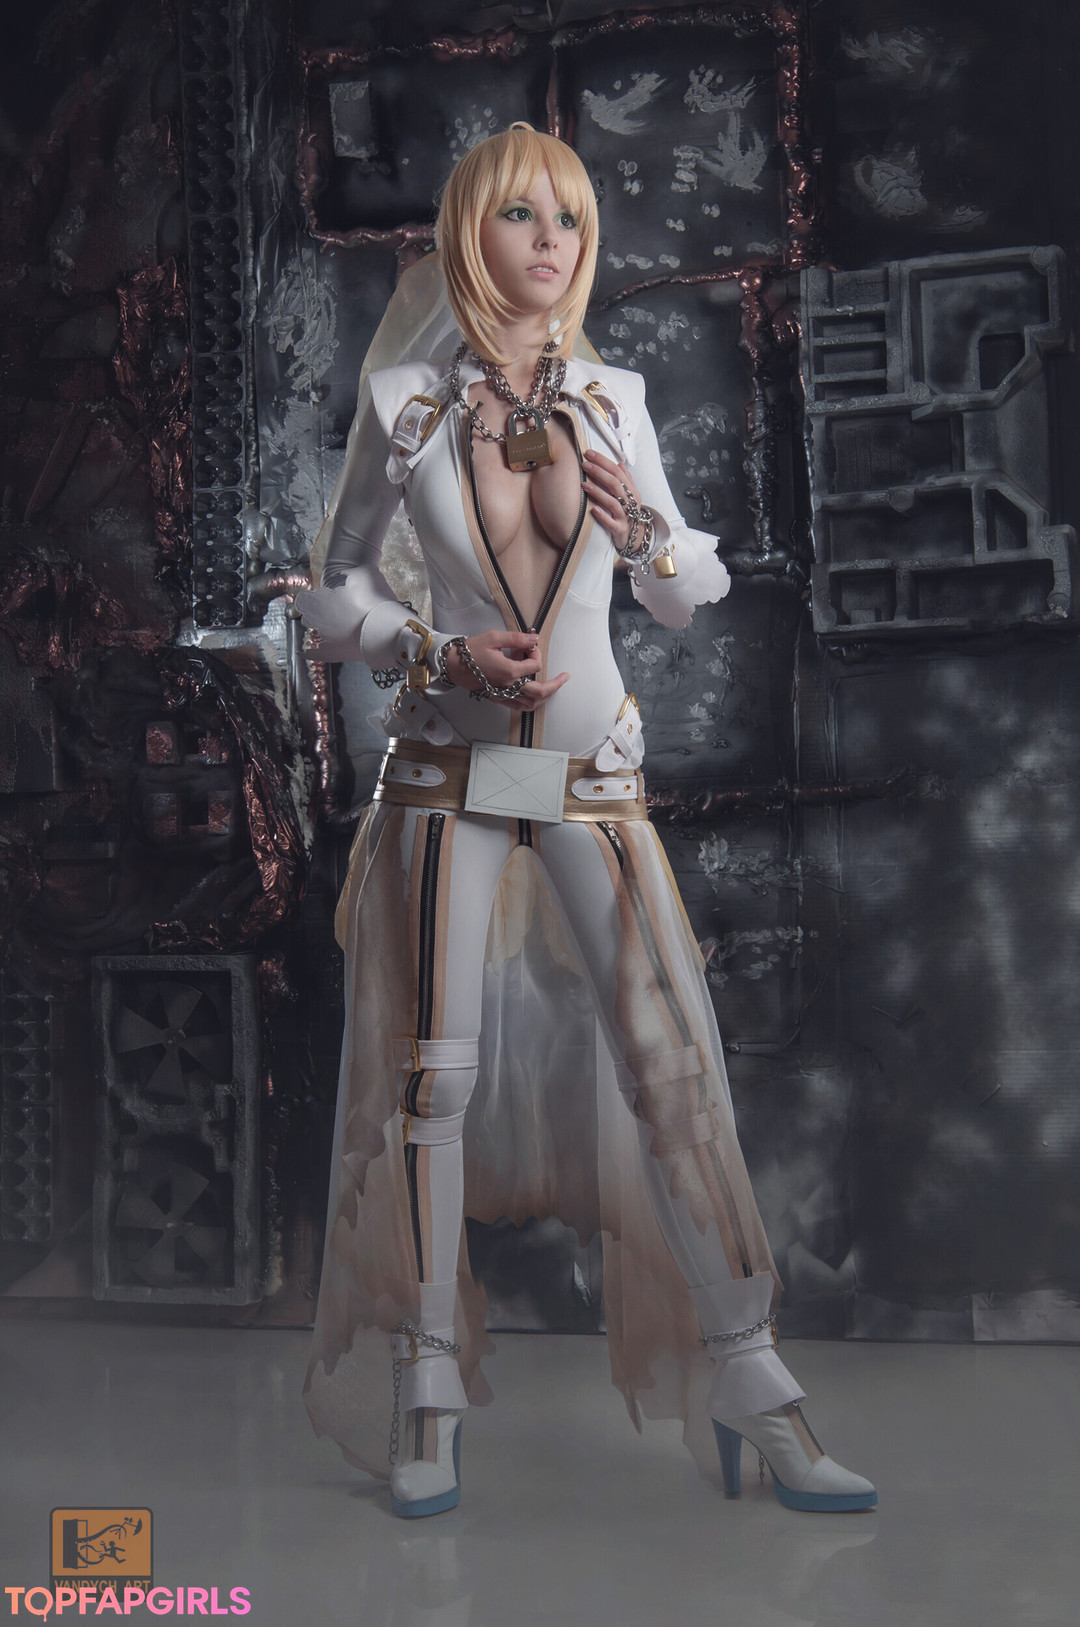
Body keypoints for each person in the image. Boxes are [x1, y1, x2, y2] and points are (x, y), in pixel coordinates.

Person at [300, 122, 875, 1519]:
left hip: (586, 778)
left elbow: (682, 595)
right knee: (433, 1076)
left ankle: (751, 1376)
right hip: (449, 772)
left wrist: (646, 535)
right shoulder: (403, 401)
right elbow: (333, 591)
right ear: (469, 234)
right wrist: (432, 650)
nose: (551, 241)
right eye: (520, 215)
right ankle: (427, 1384)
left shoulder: (618, 398)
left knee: (670, 1062)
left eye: (568, 216)